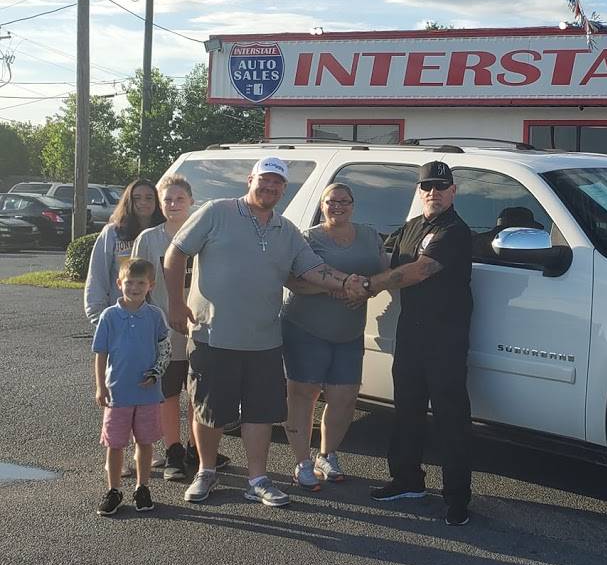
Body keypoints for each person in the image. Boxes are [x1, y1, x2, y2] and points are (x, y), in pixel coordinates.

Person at [163, 157, 365, 508]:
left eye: (277, 182)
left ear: (284, 189)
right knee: (208, 411)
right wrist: (176, 305)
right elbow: (176, 252)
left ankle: (257, 479)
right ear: (250, 180)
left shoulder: (286, 230)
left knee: (259, 414)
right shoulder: (217, 212)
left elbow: (313, 269)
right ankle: (206, 471)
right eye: (264, 180)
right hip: (214, 335)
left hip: (264, 341)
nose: (270, 187)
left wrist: (348, 282)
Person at [357, 160, 474, 526]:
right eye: (426, 186)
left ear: (453, 191)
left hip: (446, 339)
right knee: (407, 411)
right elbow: (384, 259)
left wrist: (367, 287)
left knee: (451, 418)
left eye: (440, 186)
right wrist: (342, 271)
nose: (433, 192)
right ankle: (407, 480)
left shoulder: (455, 231)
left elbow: (420, 270)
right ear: (419, 191)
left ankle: (457, 498)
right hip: (410, 334)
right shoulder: (410, 228)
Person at [281, 183, 388, 490]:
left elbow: (382, 275)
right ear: (322, 205)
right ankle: (302, 462)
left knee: (345, 398)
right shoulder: (307, 238)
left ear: (353, 205)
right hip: (305, 328)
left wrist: (366, 290)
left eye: (344, 201)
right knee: (303, 395)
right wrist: (337, 287)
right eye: (331, 201)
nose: (338, 206)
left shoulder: (370, 236)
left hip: (349, 332)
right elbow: (291, 280)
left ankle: (326, 455)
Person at [133, 174, 228, 482]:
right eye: (168, 200)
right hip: (165, 330)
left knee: (198, 392)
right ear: (161, 205)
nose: (173, 204)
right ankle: (173, 450)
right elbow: (137, 284)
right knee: (169, 392)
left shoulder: (206, 236)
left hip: (201, 327)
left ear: (191, 202)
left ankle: (195, 448)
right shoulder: (149, 239)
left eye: (180, 199)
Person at [93, 258, 170, 516]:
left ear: (151, 285)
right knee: (115, 444)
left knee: (145, 442)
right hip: (118, 393)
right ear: (119, 283)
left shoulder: (155, 316)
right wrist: (101, 386)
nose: (134, 288)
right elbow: (100, 354)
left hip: (148, 394)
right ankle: (114, 490)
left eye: (140, 283)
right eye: (129, 283)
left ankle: (142, 487)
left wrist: (156, 373)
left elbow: (164, 349)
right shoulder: (109, 316)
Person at [85, 178, 165, 326]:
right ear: (128, 201)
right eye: (137, 198)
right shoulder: (112, 233)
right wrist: (98, 315)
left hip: (158, 319)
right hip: (120, 319)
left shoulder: (164, 234)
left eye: (149, 198)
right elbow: (97, 274)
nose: (143, 202)